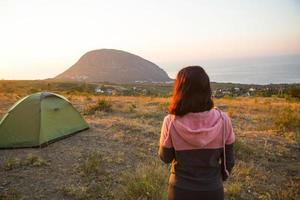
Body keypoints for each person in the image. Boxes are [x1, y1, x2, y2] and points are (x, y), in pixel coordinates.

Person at [159, 66, 235, 200]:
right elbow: (229, 161)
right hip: (213, 190)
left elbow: (165, 158)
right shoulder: (224, 120)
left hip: (179, 191)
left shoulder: (170, 121)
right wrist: (216, 180)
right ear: (207, 89)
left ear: (179, 90)